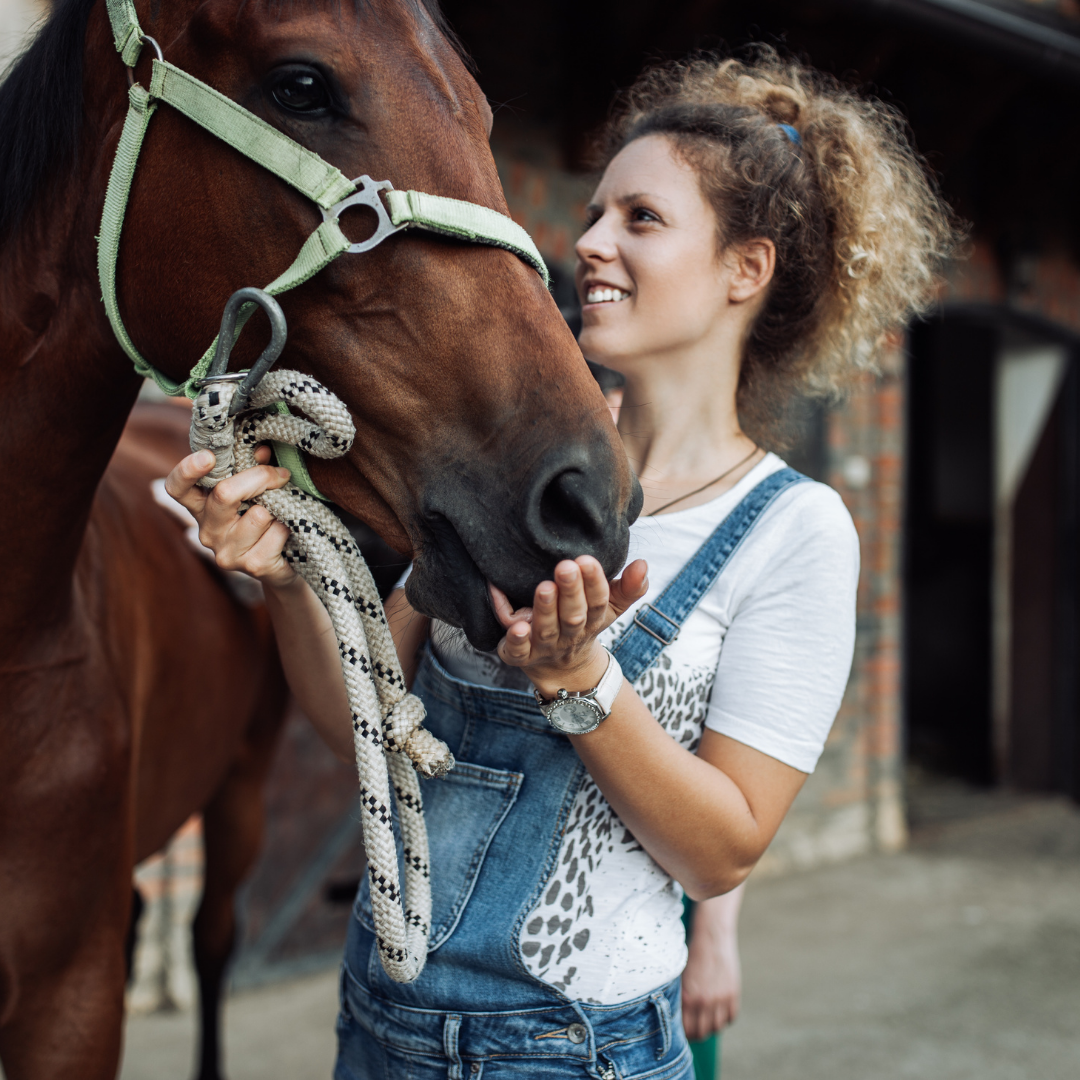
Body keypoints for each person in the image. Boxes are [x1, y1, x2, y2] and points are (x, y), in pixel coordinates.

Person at [167, 47, 955, 1079]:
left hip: (576, 1055)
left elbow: (723, 846)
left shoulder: (794, 530)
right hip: (378, 1024)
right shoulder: (510, 466)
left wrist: (583, 683)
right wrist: (279, 578)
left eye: (642, 219)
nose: (589, 243)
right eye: (593, 214)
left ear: (744, 271)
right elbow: (357, 711)